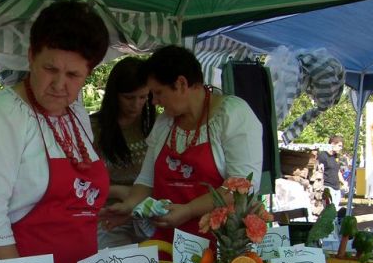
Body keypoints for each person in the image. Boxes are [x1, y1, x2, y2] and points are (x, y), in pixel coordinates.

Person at [0, 1, 110, 263]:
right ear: (31, 57)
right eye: (50, 69)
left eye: (73, 75)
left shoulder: (76, 112)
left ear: (88, 74)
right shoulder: (3, 112)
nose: (59, 84)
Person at [100, 45, 262, 244]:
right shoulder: (165, 122)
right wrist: (130, 205)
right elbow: (146, 180)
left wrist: (189, 210)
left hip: (217, 246)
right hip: (165, 242)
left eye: (158, 93)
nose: (154, 102)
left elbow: (241, 187)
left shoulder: (232, 115)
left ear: (181, 84)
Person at [91, 57, 157, 248]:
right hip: (108, 217)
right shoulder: (93, 129)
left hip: (148, 216)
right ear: (114, 95)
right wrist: (118, 191)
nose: (136, 104)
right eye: (129, 97)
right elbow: (79, 184)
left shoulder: (156, 126)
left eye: (143, 97)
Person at [317, 135, 347, 209]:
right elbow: (319, 171)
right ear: (333, 144)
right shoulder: (323, 156)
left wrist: (344, 182)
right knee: (329, 210)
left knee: (335, 211)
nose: (341, 148)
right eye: (339, 146)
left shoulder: (335, 156)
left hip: (337, 188)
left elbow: (338, 171)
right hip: (327, 187)